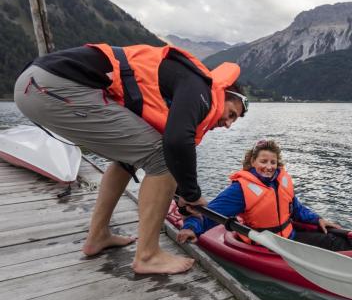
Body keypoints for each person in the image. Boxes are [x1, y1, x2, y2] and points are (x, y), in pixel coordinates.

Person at [13, 43, 249, 274]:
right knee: (162, 156)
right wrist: (192, 195)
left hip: (38, 83)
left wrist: (182, 195)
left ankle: (98, 236)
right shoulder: (201, 88)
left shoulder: (183, 86)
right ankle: (148, 255)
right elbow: (177, 143)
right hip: (51, 86)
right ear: (225, 93)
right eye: (231, 115)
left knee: (127, 159)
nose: (227, 124)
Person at [176, 139, 352, 251]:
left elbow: (295, 208)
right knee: (333, 244)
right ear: (252, 162)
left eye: (273, 162)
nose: (269, 167)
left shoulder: (280, 182)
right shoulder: (240, 189)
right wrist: (191, 228)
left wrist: (317, 219)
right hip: (265, 247)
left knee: (335, 239)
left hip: (289, 240)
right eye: (263, 161)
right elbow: (210, 214)